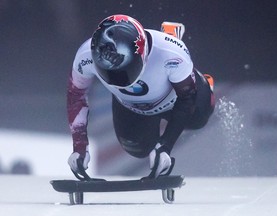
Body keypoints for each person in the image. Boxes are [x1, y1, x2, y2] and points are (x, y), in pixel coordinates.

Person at [67, 14, 215, 178]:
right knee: (138, 150)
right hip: (130, 104)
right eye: (108, 72)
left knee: (199, 117)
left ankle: (196, 75)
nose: (120, 79)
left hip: (174, 99)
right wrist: (79, 146)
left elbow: (187, 98)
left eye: (125, 70)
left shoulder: (170, 54)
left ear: (143, 54)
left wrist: (165, 146)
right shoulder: (85, 56)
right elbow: (76, 95)